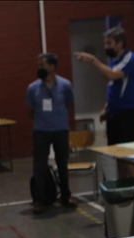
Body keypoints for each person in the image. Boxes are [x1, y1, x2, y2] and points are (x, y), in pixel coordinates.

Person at [26, 52, 77, 214]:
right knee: (39, 166)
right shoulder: (33, 88)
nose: (39, 68)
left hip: (61, 130)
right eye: (38, 65)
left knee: (63, 164)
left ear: (52, 66)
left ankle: (66, 196)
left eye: (42, 65)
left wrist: (59, 119)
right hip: (41, 131)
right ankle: (38, 200)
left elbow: (70, 104)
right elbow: (30, 110)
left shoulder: (65, 85)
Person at [74, 27, 134, 146]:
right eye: (105, 43)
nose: (106, 47)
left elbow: (112, 75)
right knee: (114, 152)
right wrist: (106, 107)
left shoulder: (131, 58)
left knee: (127, 154)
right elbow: (108, 79)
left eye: (109, 43)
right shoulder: (114, 60)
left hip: (127, 113)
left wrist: (93, 60)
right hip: (113, 112)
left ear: (120, 43)